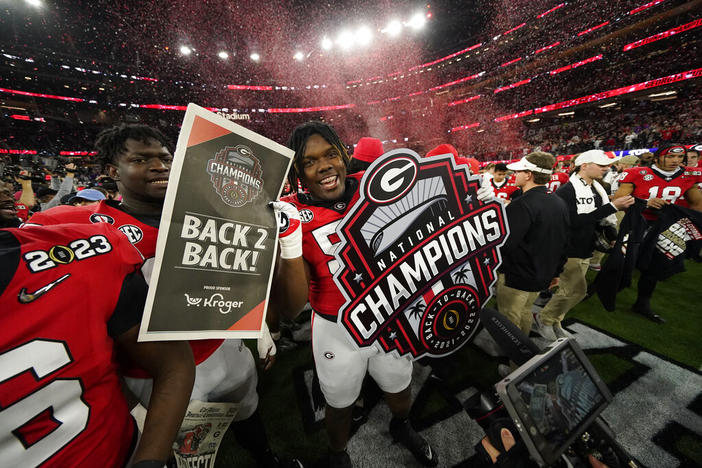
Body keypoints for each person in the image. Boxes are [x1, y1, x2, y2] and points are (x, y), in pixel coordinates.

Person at [27, 123, 301, 468]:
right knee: (189, 449)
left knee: (248, 408)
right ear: (113, 171)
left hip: (220, 344)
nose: (159, 166)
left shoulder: (208, 212)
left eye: (165, 158)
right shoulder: (93, 229)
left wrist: (260, 329)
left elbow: (237, 279)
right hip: (154, 368)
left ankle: (266, 458)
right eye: (141, 159)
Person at [273, 121, 442, 468]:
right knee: (339, 403)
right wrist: (289, 243)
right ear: (298, 172)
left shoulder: (376, 190)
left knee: (399, 387)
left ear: (344, 155)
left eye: (330, 154)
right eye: (309, 161)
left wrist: (465, 203)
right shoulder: (293, 213)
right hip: (337, 329)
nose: (323, 166)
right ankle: (338, 454)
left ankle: (402, 425)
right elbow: (291, 308)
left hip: (389, 318)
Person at [1, 222, 194, 466]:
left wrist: (150, 460)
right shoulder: (78, 227)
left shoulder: (80, 252)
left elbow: (174, 363)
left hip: (120, 449)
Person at [537, 150, 634, 340]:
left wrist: (612, 235)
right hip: (569, 248)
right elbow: (573, 222)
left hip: (585, 247)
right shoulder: (566, 191)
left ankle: (555, 320)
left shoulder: (598, 188)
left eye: (607, 165)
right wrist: (613, 207)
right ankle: (544, 319)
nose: (606, 168)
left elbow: (602, 220)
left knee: (570, 290)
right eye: (601, 165)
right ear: (584, 166)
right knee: (576, 291)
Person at [612, 144, 702, 322]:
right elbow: (618, 200)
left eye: (679, 157)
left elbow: (697, 204)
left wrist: (688, 223)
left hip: (664, 226)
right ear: (657, 158)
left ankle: (642, 303)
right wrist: (645, 202)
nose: (675, 161)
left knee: (656, 265)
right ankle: (608, 289)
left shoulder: (688, 175)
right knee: (623, 261)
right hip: (637, 223)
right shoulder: (638, 173)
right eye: (670, 157)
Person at [497, 152, 569, 337]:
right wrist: (556, 272)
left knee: (509, 319)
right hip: (541, 274)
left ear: (529, 174)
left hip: (518, 275)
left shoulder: (522, 204)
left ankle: (516, 364)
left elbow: (506, 244)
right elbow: (563, 242)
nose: (514, 175)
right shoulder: (558, 202)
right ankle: (523, 359)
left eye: (518, 171)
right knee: (525, 312)